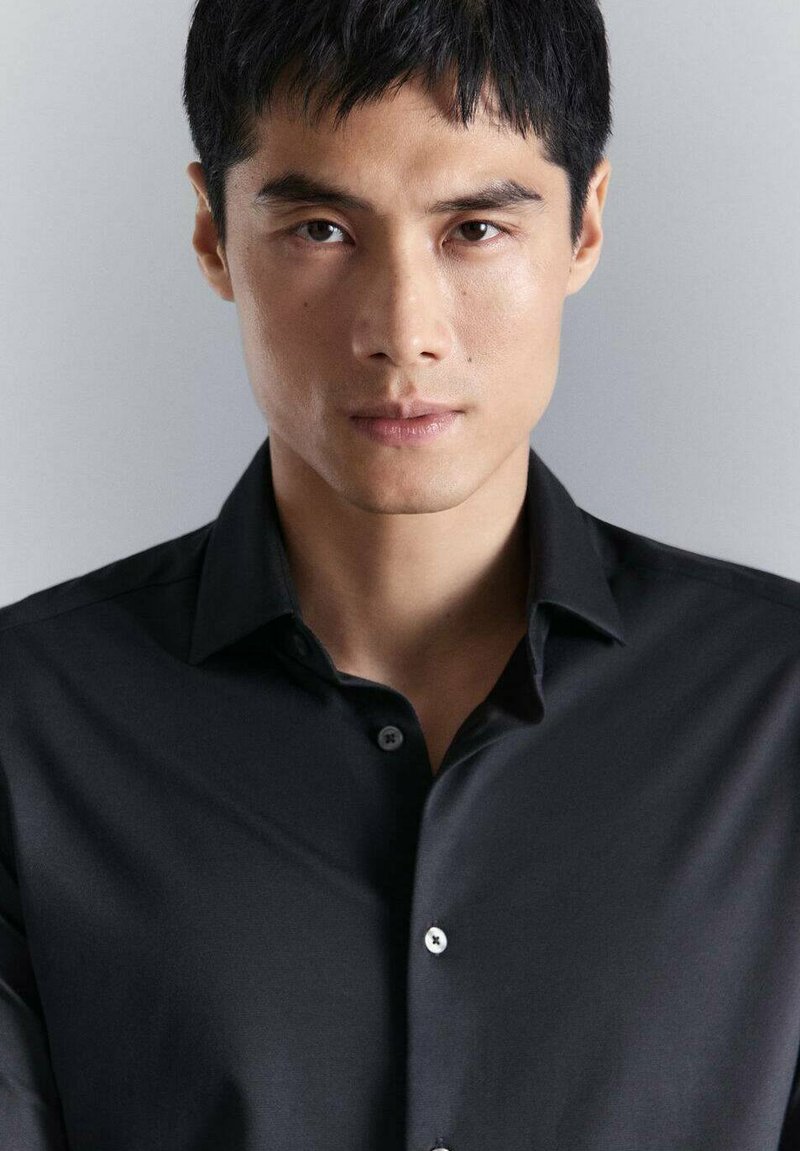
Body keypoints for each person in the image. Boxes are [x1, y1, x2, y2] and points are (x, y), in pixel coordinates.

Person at [2, 1, 800, 1147]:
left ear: (583, 228)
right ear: (212, 234)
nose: (402, 330)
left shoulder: (774, 706)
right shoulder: (26, 723)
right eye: (321, 228)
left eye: (474, 228)